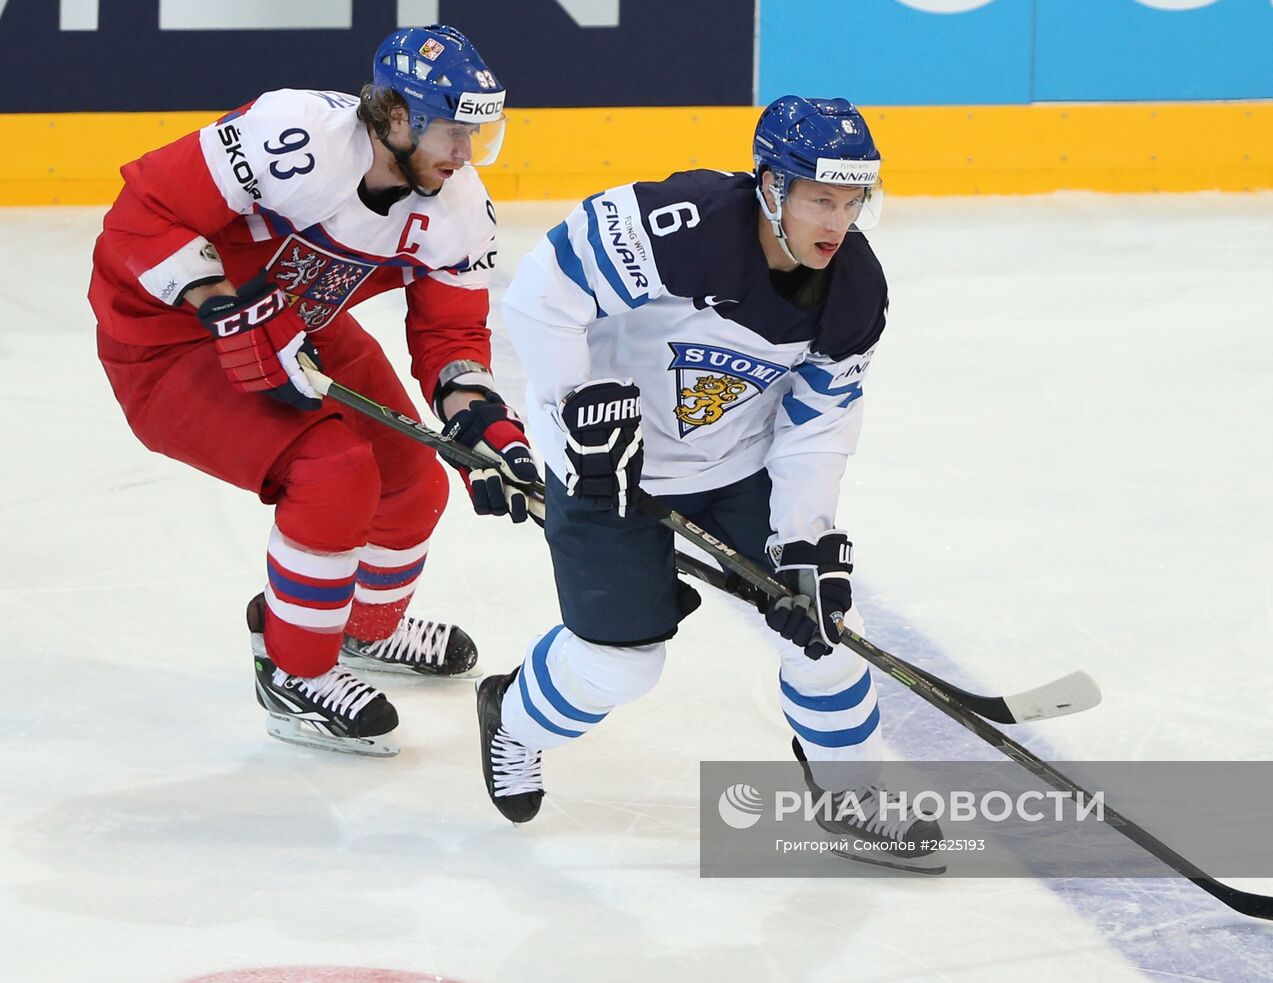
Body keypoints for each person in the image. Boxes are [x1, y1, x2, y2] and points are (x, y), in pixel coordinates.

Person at [474, 95, 941, 864]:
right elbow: (542, 291)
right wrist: (570, 413)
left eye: (853, 202)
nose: (837, 221)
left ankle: (851, 795)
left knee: (822, 627)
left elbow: (818, 422)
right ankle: (512, 717)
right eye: (821, 198)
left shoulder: (855, 291)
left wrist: (802, 538)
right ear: (770, 185)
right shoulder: (683, 225)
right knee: (620, 664)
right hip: (605, 463)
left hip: (735, 465)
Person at [90, 24, 539, 757]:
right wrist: (213, 299)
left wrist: (485, 425)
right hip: (165, 340)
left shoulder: (458, 211)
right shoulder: (293, 135)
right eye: (453, 133)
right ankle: (293, 671)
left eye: (477, 138)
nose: (463, 157)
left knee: (413, 479)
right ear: (396, 116)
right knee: (334, 473)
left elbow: (451, 338)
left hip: (296, 321)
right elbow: (144, 214)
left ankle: (363, 628)